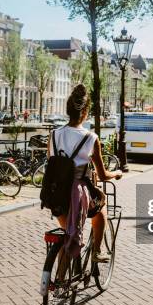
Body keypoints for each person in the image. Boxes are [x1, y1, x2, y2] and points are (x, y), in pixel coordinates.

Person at [48, 84, 122, 263]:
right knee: (101, 208)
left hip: (55, 193)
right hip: (77, 194)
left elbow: (52, 162)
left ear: (67, 110)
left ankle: (56, 282)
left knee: (67, 234)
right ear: (86, 112)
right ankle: (97, 252)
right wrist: (116, 173)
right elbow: (103, 175)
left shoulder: (54, 134)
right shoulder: (91, 138)